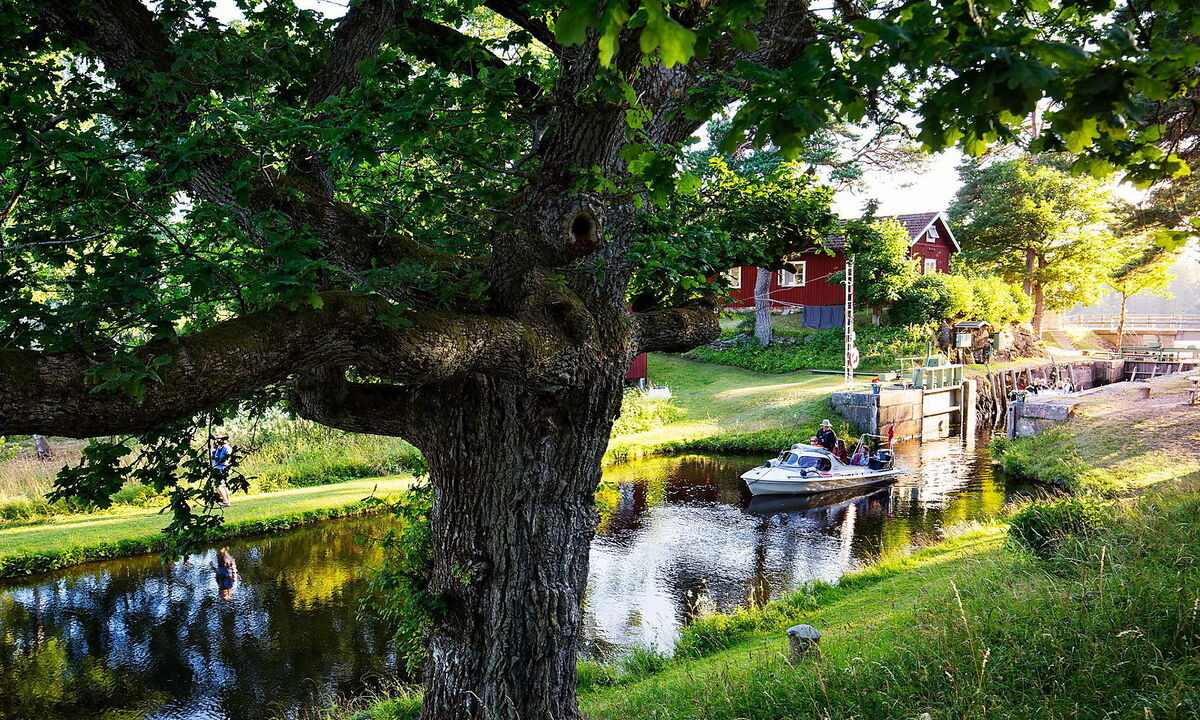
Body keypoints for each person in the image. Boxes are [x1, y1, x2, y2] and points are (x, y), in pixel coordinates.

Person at [210, 436, 232, 508]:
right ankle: (227, 501)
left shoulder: (226, 448)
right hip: (217, 468)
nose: (216, 441)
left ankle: (225, 501)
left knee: (219, 485)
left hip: (222, 468)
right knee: (223, 485)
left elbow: (224, 459)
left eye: (218, 440)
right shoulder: (217, 448)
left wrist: (215, 458)